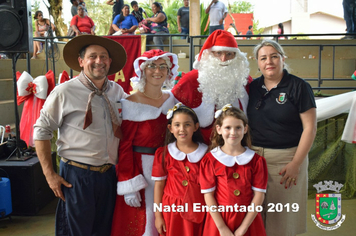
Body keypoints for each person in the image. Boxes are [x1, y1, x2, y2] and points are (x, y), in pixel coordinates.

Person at [33, 34, 128, 236]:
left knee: (105, 230)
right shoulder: (64, 92)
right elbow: (41, 131)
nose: (99, 61)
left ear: (110, 62)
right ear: (81, 61)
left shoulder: (117, 92)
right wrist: (49, 175)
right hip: (77, 177)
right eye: (93, 56)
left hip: (109, 176)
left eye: (104, 57)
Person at [246, 39, 317, 236]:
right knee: (254, 218)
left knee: (282, 221)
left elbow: (310, 128)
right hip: (253, 160)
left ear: (282, 59)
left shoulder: (299, 87)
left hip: (286, 160)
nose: (269, 61)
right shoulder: (252, 87)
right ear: (257, 62)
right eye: (263, 58)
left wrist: (296, 163)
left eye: (274, 56)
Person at [111, 49, 179, 236]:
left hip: (168, 168)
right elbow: (124, 146)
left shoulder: (172, 100)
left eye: (162, 67)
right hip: (141, 171)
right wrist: (129, 184)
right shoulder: (130, 103)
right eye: (152, 66)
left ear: (169, 71)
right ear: (142, 70)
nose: (158, 71)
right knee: (143, 222)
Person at [172, 29, 251, 144]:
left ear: (235, 56)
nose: (223, 59)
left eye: (229, 54)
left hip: (236, 147)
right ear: (209, 54)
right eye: (218, 53)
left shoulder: (243, 80)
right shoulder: (191, 80)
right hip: (200, 149)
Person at [200, 104, 267, 236]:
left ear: (245, 129)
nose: (233, 132)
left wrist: (243, 228)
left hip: (248, 220)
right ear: (219, 129)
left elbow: (259, 195)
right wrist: (222, 228)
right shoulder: (210, 160)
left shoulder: (256, 160)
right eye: (228, 128)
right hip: (219, 221)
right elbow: (208, 196)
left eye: (238, 128)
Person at [152, 102, 208, 236]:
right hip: (170, 210)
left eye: (187, 124)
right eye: (177, 125)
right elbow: (159, 185)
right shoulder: (164, 153)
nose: (182, 129)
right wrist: (158, 215)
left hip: (197, 209)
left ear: (196, 127)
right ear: (170, 128)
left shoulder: (207, 154)